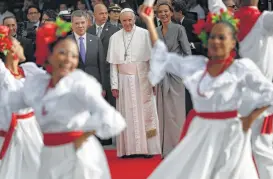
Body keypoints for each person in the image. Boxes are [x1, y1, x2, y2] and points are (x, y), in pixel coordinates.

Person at [139, 6, 273, 179]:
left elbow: (269, 93)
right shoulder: (197, 66)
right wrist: (150, 23)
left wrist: (250, 118)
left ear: (233, 42)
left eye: (221, 37)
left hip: (231, 133)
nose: (215, 41)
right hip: (200, 131)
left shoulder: (241, 69)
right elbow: (164, 58)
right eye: (212, 37)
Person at [1, 19, 126, 179]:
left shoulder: (79, 83)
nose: (69, 59)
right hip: (48, 154)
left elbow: (113, 118)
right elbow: (9, 102)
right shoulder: (37, 84)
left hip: (79, 154)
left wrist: (83, 136)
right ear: (48, 55)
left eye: (74, 55)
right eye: (62, 53)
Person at [208, 0, 273, 178]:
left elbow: (214, 4)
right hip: (261, 99)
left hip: (233, 97)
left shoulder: (226, 19)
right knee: (263, 152)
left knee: (234, 151)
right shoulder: (264, 20)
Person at [107, 8, 161, 158]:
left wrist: (153, 81)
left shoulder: (144, 34)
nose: (127, 23)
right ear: (120, 21)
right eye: (124, 20)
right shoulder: (115, 37)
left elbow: (151, 61)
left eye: (130, 20)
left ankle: (148, 149)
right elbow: (113, 65)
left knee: (144, 114)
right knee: (127, 113)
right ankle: (128, 150)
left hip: (142, 79)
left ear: (134, 20)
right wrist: (114, 85)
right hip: (124, 81)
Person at [0, 26, 43, 179]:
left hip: (32, 127)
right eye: (18, 44)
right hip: (12, 130)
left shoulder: (29, 70)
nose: (21, 46)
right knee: (11, 168)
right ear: (10, 50)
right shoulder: (4, 75)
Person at [155, 1, 191, 157]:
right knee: (162, 114)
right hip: (161, 77)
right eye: (160, 12)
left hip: (176, 77)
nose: (163, 14)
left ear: (171, 12)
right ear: (156, 15)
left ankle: (179, 149)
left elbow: (187, 53)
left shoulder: (179, 29)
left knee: (176, 114)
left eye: (166, 11)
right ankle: (165, 150)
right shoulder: (155, 31)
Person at [69, 10, 106, 96]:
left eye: (82, 22)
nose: (80, 26)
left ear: (87, 23)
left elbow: (101, 65)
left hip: (94, 86)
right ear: (72, 25)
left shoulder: (96, 40)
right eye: (77, 23)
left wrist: (103, 87)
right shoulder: (66, 42)